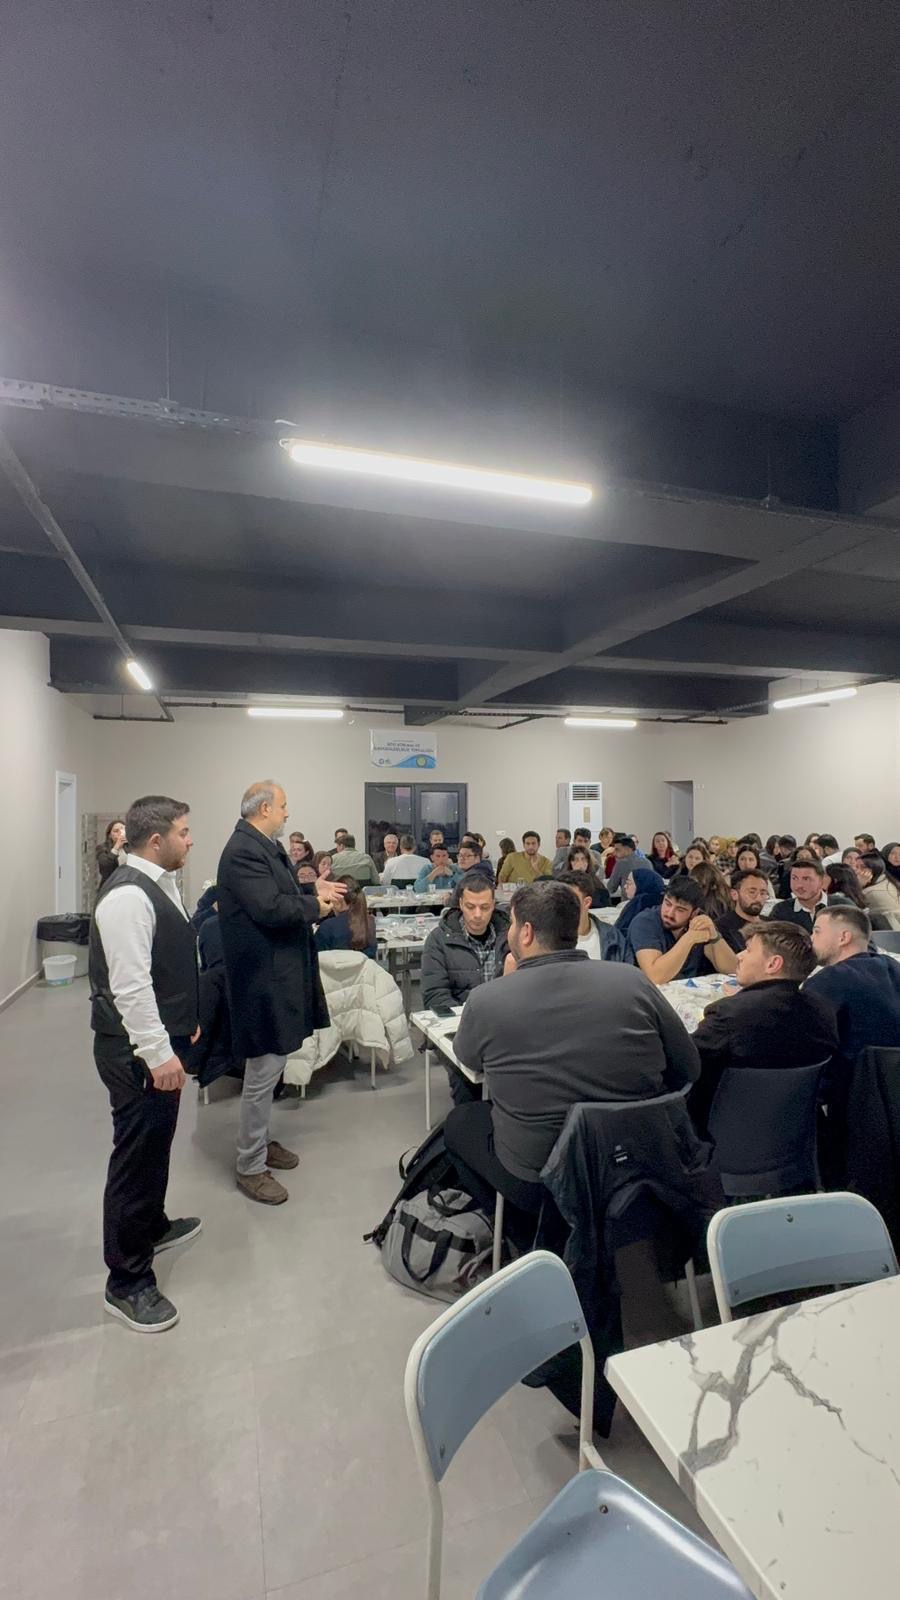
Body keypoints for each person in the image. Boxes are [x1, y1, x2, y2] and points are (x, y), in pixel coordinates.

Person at [443, 881, 700, 1215]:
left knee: (460, 1122)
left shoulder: (488, 1000)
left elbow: (467, 1059)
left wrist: (507, 985)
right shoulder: (632, 981)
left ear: (526, 933)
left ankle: (516, 1227)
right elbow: (688, 1067)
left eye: (513, 924)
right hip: (633, 1162)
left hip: (542, 1178)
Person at [89, 795, 201, 1333]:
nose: (190, 839)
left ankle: (151, 1226)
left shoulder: (159, 884)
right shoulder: (128, 897)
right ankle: (126, 1281)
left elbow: (168, 962)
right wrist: (158, 1053)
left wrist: (185, 1020)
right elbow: (130, 987)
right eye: (184, 831)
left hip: (159, 1042)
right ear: (156, 840)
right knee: (135, 1158)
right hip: (134, 1054)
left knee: (157, 1143)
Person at [217, 782, 346, 1205]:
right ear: (265, 809)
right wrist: (316, 908)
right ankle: (250, 1164)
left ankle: (259, 1140)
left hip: (277, 972)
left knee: (271, 1068)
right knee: (263, 1069)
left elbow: (282, 893)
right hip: (261, 978)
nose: (287, 813)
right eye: (284, 806)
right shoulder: (243, 851)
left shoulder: (264, 846)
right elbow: (270, 908)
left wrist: (312, 891)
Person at [688, 920, 839, 1136]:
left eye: (748, 950)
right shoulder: (823, 1010)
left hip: (726, 1132)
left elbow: (686, 1065)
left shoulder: (730, 1014)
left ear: (773, 964)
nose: (739, 956)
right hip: (800, 1134)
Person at [421, 874, 509, 1103]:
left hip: (505, 1023)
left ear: (494, 905)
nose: (478, 915)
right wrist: (469, 1022)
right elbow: (434, 995)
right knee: (466, 1081)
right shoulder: (439, 939)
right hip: (460, 1026)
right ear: (460, 904)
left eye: (485, 907)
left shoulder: (509, 935)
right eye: (471, 907)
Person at [808, 906, 900, 1121]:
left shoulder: (827, 981)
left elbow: (810, 1049)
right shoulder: (892, 968)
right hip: (890, 1097)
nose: (811, 938)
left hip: (853, 1103)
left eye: (817, 931)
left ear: (843, 937)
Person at [627, 874, 738, 984]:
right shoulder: (645, 922)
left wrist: (714, 936)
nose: (670, 913)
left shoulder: (698, 923)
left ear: (694, 912)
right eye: (668, 903)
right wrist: (689, 938)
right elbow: (655, 977)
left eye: (680, 910)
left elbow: (733, 970)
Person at [556, 869, 624, 959]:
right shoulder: (548, 939)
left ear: (587, 902)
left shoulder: (613, 937)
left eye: (570, 899)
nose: (563, 904)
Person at [315, 876, 377, 958]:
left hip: (333, 965)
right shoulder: (370, 922)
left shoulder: (327, 926)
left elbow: (315, 958)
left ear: (337, 899)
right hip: (362, 965)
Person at [767, 857, 828, 932]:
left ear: (821, 881)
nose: (799, 885)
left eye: (806, 879)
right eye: (794, 878)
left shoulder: (838, 905)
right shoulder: (781, 910)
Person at [718, 868, 771, 951]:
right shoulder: (720, 928)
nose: (758, 898)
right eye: (752, 892)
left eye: (763, 893)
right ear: (734, 894)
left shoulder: (772, 925)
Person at [615, 865, 666, 938]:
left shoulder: (640, 902)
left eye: (629, 883)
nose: (625, 886)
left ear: (641, 884)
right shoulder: (661, 901)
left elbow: (618, 931)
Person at [856, 855, 900, 929]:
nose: (857, 870)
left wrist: (859, 885)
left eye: (863, 867)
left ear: (874, 868)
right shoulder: (888, 881)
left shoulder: (870, 892)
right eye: (856, 867)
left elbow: (852, 906)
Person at [96, 819, 128, 885]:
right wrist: (116, 847)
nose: (120, 833)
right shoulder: (102, 848)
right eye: (116, 831)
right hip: (110, 885)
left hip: (127, 884)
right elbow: (105, 868)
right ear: (109, 835)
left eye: (122, 830)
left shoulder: (131, 847)